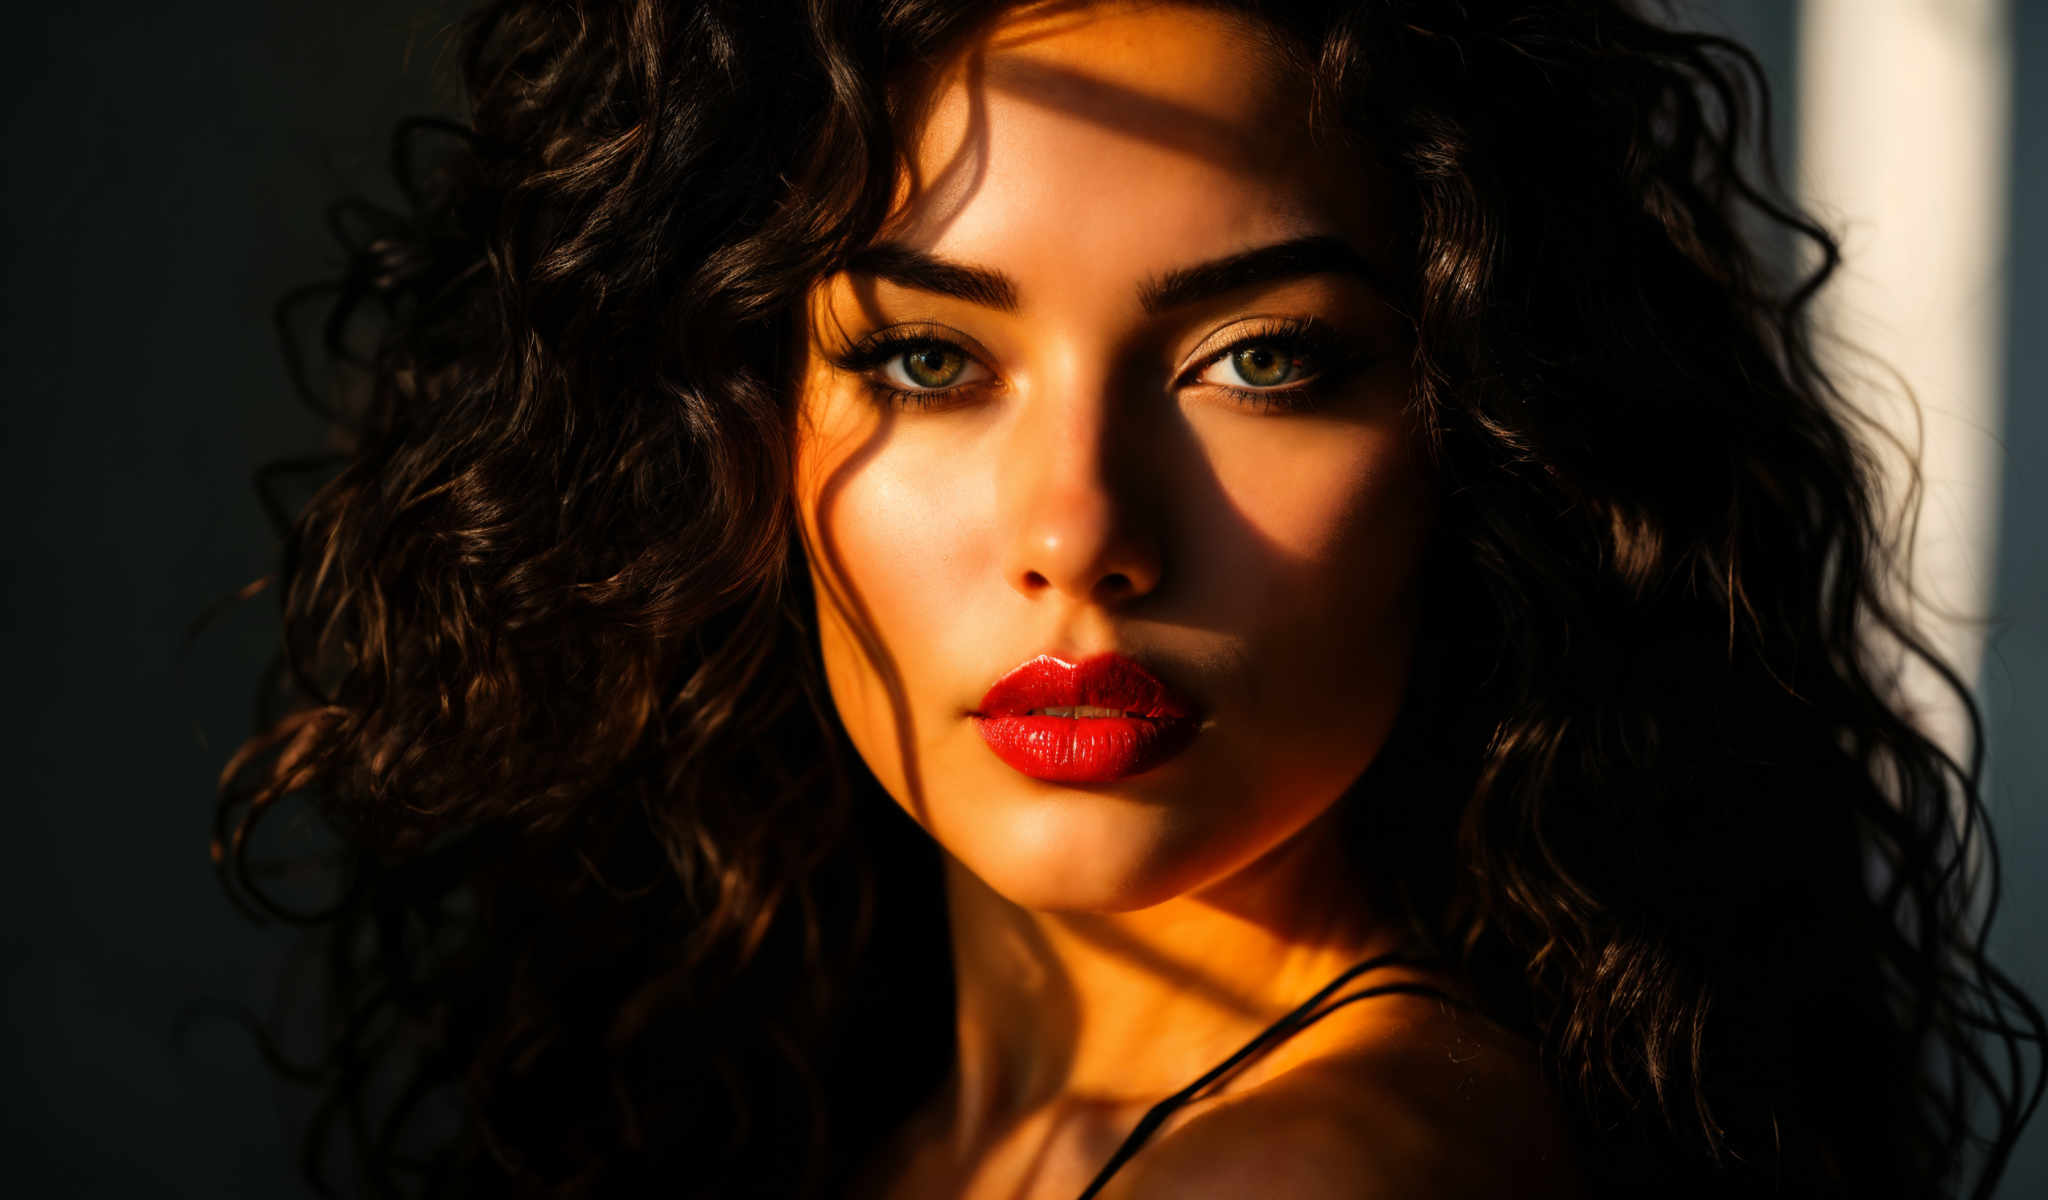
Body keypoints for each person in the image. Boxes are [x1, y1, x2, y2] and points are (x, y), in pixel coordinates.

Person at [216, 0, 2043, 1196]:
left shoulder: (1321, 1175)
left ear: (1484, 447)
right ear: (728, 443)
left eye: (1261, 361)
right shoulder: (861, 1104)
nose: (1081, 528)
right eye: (932, 360)